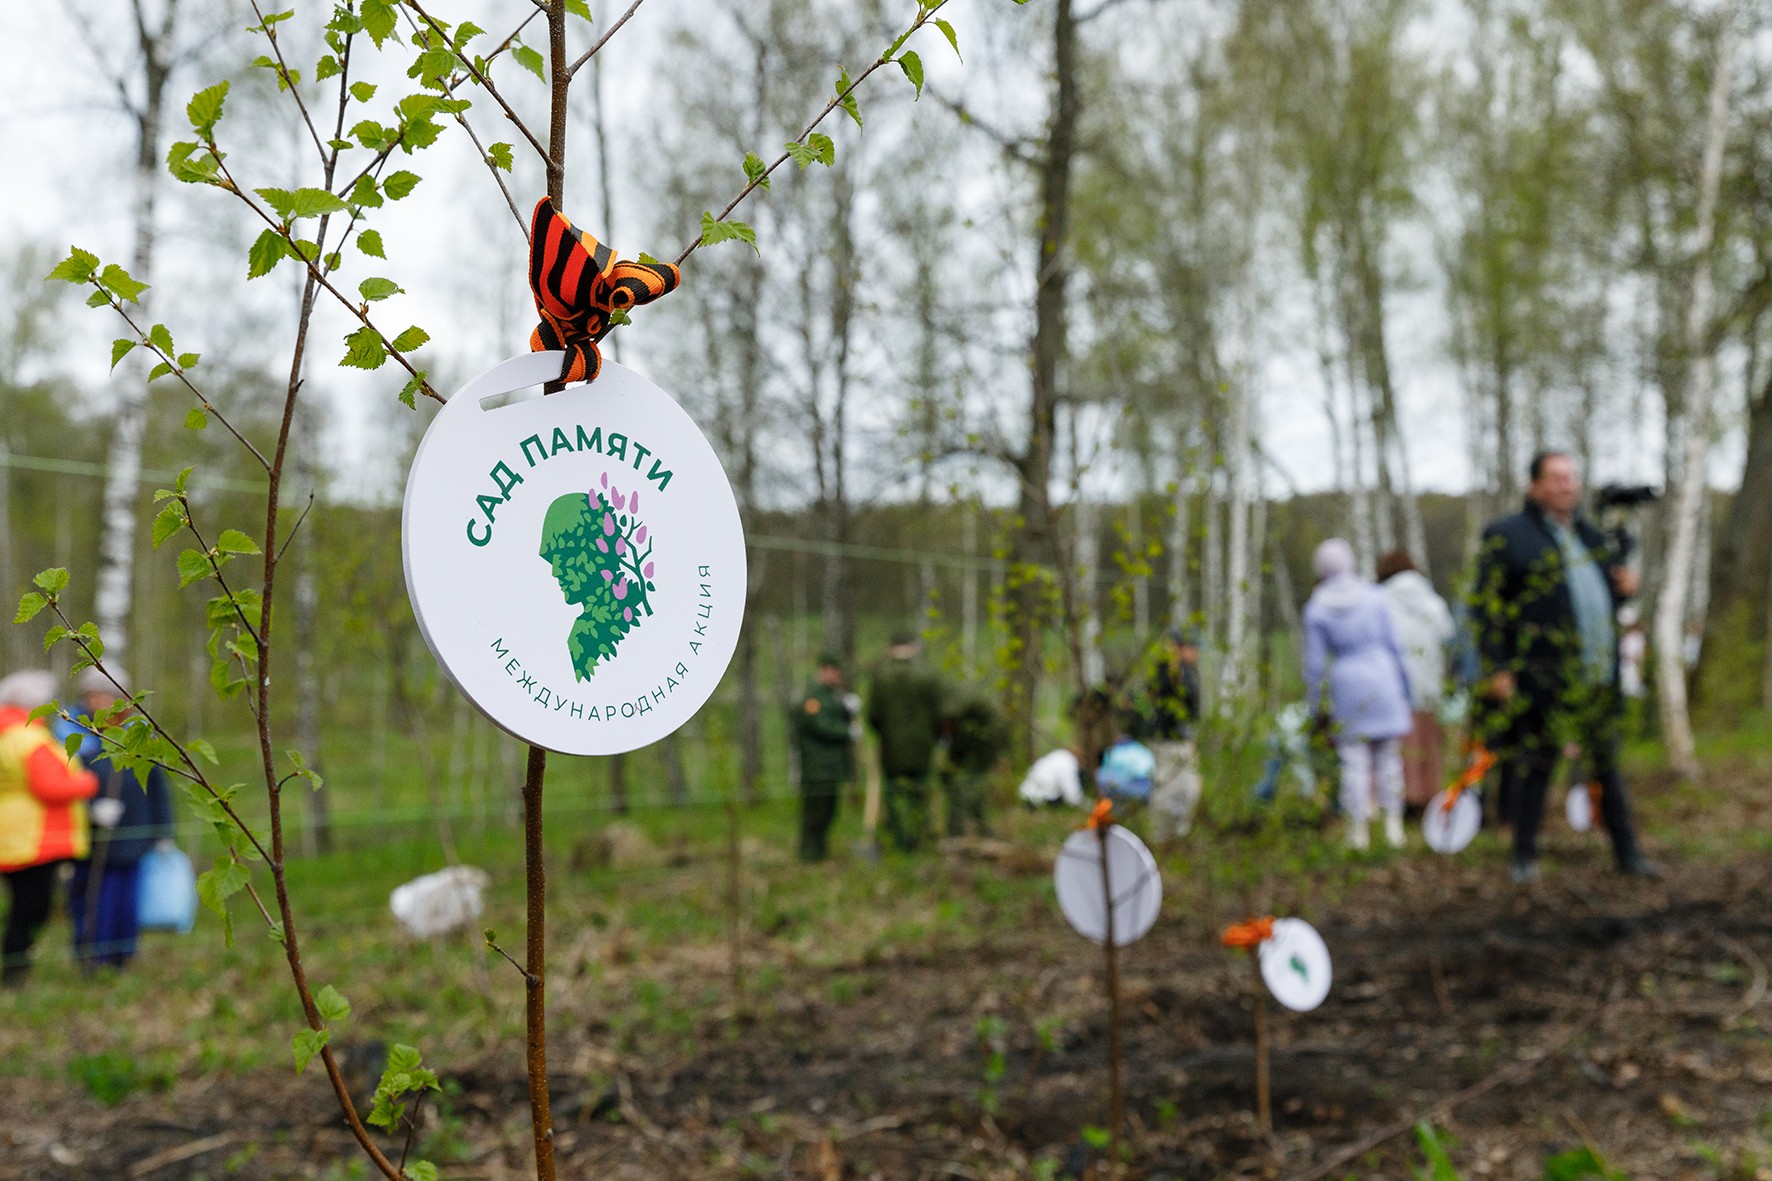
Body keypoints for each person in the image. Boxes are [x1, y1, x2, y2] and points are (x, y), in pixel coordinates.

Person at [1470, 450, 1657, 882]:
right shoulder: (1509, 537)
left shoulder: (1591, 539)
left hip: (1595, 676)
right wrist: (1497, 666)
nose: (1566, 485)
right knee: (1535, 763)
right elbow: (1487, 609)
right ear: (1534, 485)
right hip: (1541, 674)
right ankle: (1523, 854)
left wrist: (1627, 589)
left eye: (1571, 478)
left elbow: (1605, 600)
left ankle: (1627, 853)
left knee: (1605, 764)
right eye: (1556, 478)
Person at [1303, 539, 1414, 850]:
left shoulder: (1316, 608)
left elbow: (1313, 666)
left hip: (1346, 684)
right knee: (1389, 758)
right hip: (1384, 678)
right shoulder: (1375, 597)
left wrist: (1315, 706)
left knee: (1353, 761)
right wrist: (1407, 686)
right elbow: (1396, 645)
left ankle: (1357, 833)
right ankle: (1394, 828)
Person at [66, 666, 174, 969]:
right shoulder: (74, 733)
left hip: (133, 837)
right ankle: (91, 958)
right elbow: (65, 783)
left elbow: (158, 788)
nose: (95, 702)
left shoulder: (140, 737)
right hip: (91, 841)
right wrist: (90, 809)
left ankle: (122, 957)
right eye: (90, 696)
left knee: (127, 903)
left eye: (102, 696)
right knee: (92, 900)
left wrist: (163, 832)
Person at [0, 670, 99, 985]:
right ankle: (13, 971)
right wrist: (86, 782)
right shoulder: (30, 738)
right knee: (31, 909)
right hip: (34, 838)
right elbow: (50, 787)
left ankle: (14, 966)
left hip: (14, 835)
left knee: (22, 906)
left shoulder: (8, 734)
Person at [1377, 549, 1457, 809]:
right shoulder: (1430, 599)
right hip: (1429, 683)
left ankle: (1401, 798)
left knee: (1400, 746)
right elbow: (1448, 633)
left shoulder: (1380, 598)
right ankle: (1428, 797)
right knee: (1427, 742)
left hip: (1393, 683)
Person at [865, 632, 944, 853]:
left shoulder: (880, 676)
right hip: (922, 747)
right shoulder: (927, 675)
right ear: (913, 648)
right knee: (919, 792)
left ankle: (897, 838)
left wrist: (882, 732)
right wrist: (935, 736)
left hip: (891, 747)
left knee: (893, 794)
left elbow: (873, 715)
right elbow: (939, 711)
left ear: (891, 648)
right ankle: (919, 837)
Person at [793, 654, 856, 862]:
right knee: (814, 814)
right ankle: (808, 854)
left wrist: (849, 711)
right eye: (834, 671)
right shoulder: (813, 697)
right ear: (825, 670)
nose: (838, 676)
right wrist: (847, 731)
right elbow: (819, 724)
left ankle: (820, 851)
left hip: (832, 767)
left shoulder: (834, 696)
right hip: (816, 768)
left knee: (829, 811)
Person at [1145, 628, 1204, 840]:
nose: (1196, 652)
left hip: (1183, 739)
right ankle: (1160, 836)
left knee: (1189, 787)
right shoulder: (1166, 670)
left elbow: (1192, 709)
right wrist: (1172, 664)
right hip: (1166, 739)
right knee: (1166, 788)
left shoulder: (1189, 672)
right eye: (1192, 648)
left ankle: (1179, 834)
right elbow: (1157, 695)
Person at [940, 690, 1009, 837]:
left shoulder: (956, 709)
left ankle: (960, 830)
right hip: (983, 739)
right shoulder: (961, 708)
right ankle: (979, 827)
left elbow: (957, 736)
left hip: (988, 741)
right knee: (974, 782)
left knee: (972, 784)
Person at [1018, 746, 1086, 809]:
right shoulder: (1068, 762)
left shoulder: (1058, 756)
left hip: (1027, 793)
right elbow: (1070, 788)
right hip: (1039, 799)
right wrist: (1083, 804)